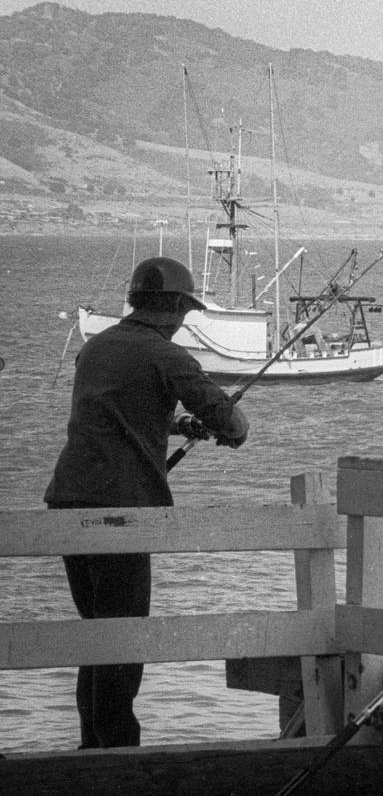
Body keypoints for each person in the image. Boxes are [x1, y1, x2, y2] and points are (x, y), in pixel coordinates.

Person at [44, 256, 250, 749]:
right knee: (124, 636)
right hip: (121, 511)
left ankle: (91, 745)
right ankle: (116, 749)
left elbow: (117, 414)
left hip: (69, 498)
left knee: (97, 632)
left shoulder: (95, 348)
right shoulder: (168, 356)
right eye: (184, 311)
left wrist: (175, 426)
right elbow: (233, 425)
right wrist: (225, 427)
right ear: (176, 306)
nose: (183, 322)